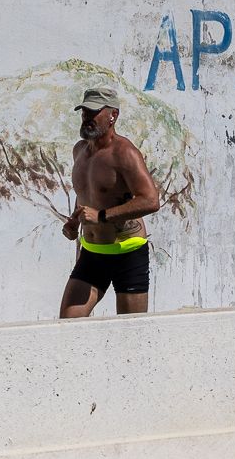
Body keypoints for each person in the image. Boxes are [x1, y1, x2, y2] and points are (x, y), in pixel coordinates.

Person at [58, 87, 162, 318]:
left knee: (130, 334)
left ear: (113, 115)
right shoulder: (80, 151)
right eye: (84, 112)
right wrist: (75, 221)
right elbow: (87, 195)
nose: (87, 118)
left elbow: (151, 200)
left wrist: (102, 216)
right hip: (93, 254)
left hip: (129, 253)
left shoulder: (125, 153)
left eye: (94, 112)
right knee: (68, 326)